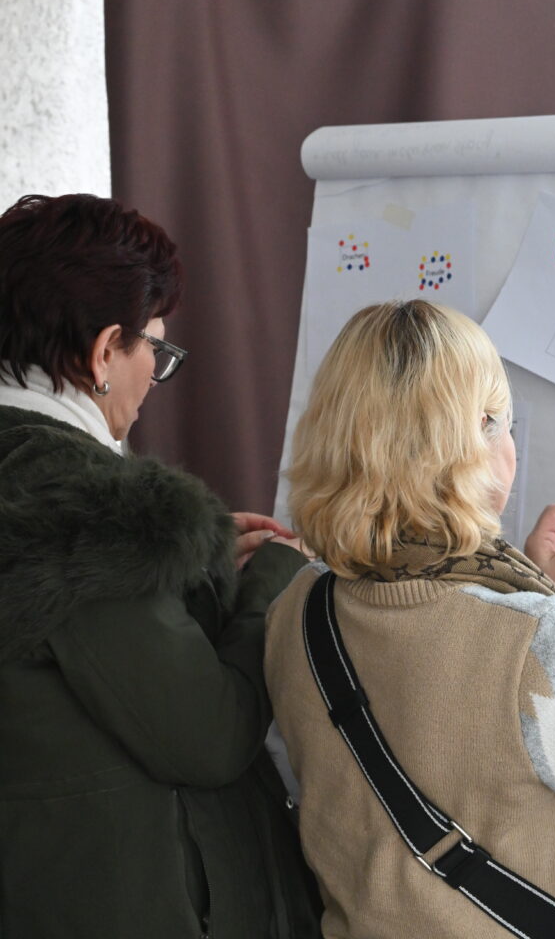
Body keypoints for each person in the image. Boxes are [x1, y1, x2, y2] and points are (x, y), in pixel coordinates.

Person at [265, 299, 555, 939]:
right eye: (503, 422)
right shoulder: (544, 642)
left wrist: (535, 589)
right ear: (475, 438)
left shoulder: (295, 610)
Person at [0, 193, 322, 939]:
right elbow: (205, 737)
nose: (155, 375)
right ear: (103, 350)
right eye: (155, 350)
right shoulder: (78, 502)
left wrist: (195, 555)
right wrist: (269, 580)